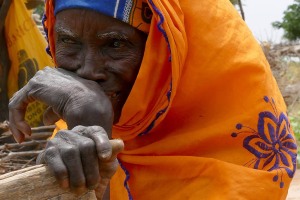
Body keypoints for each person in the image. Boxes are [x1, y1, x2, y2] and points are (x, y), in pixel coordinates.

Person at [8, 0, 298, 199]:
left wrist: (91, 123)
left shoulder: (241, 157)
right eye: (69, 42)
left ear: (170, 53)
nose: (88, 71)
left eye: (116, 44)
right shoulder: (69, 137)